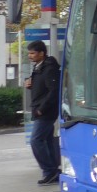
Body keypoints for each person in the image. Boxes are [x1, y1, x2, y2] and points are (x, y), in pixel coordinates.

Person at [25, 41, 61, 184]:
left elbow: (53, 91)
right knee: (47, 140)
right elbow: (42, 88)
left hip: (45, 112)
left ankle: (49, 170)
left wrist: (41, 109)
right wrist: (29, 85)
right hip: (40, 109)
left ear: (42, 53)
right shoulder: (38, 67)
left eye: (32, 53)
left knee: (36, 140)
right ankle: (53, 171)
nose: (30, 56)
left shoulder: (49, 68)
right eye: (29, 53)